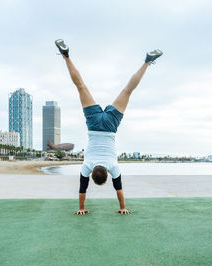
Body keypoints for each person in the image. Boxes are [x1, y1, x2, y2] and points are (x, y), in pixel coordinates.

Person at [55, 39, 162, 215]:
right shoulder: (87, 166)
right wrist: (81, 208)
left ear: (106, 175)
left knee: (128, 90)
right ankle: (66, 56)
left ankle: (147, 61)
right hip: (94, 123)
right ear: (93, 174)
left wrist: (123, 207)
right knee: (81, 86)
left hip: (111, 125)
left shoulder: (113, 166)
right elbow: (82, 190)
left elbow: (118, 189)